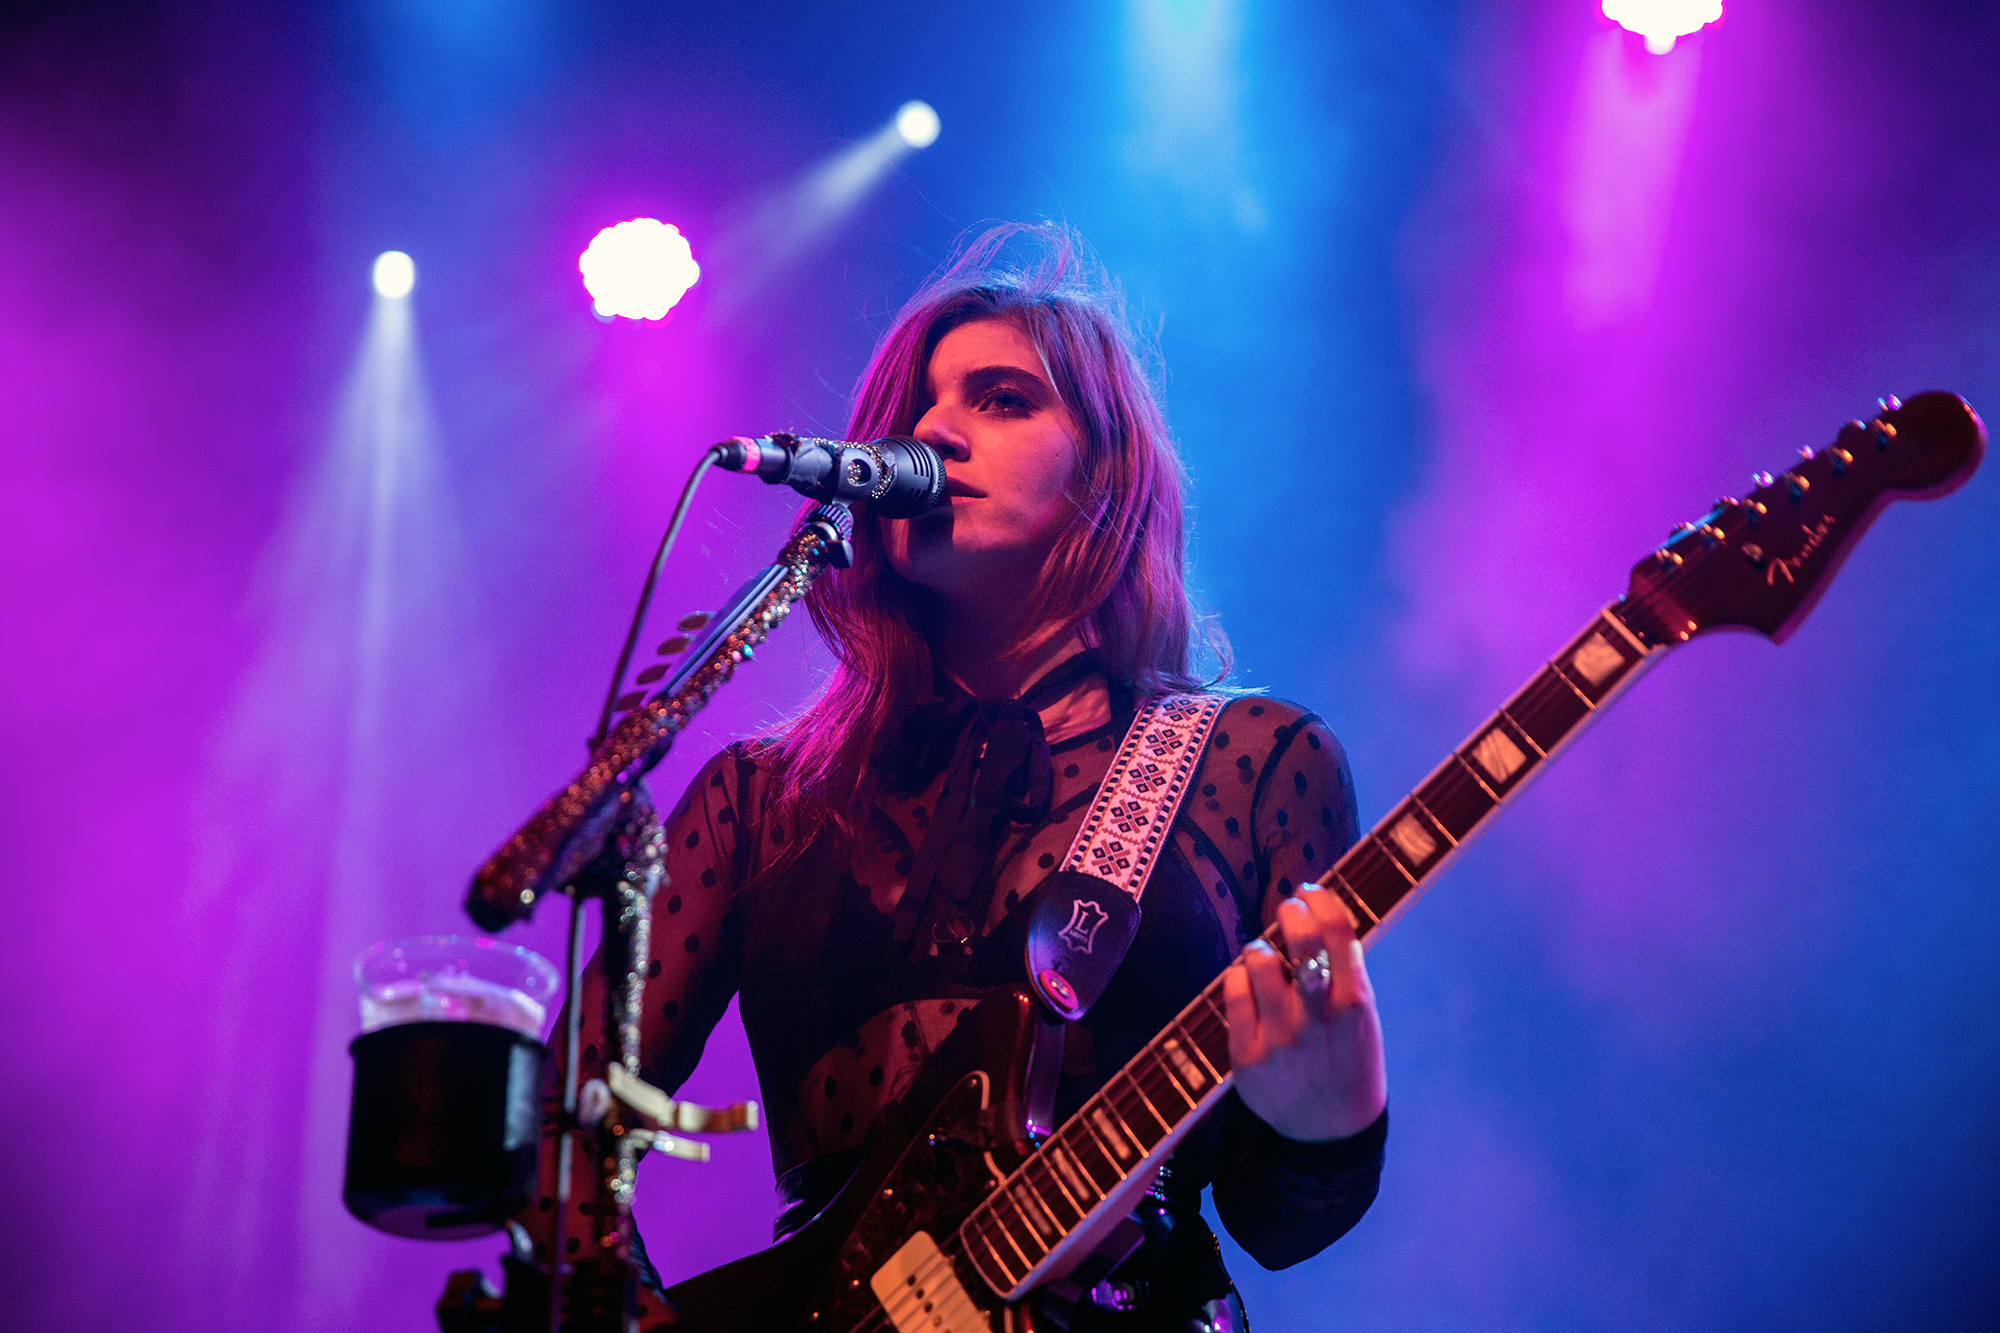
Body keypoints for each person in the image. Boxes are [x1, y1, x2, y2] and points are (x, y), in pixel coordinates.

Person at [530, 223, 1388, 1330]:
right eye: (916, 409)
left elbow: (1279, 1219)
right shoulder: (760, 801)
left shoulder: (1253, 762)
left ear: (1105, 471)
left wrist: (1331, 1114)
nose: (934, 430)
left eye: (1002, 399)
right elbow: (561, 1128)